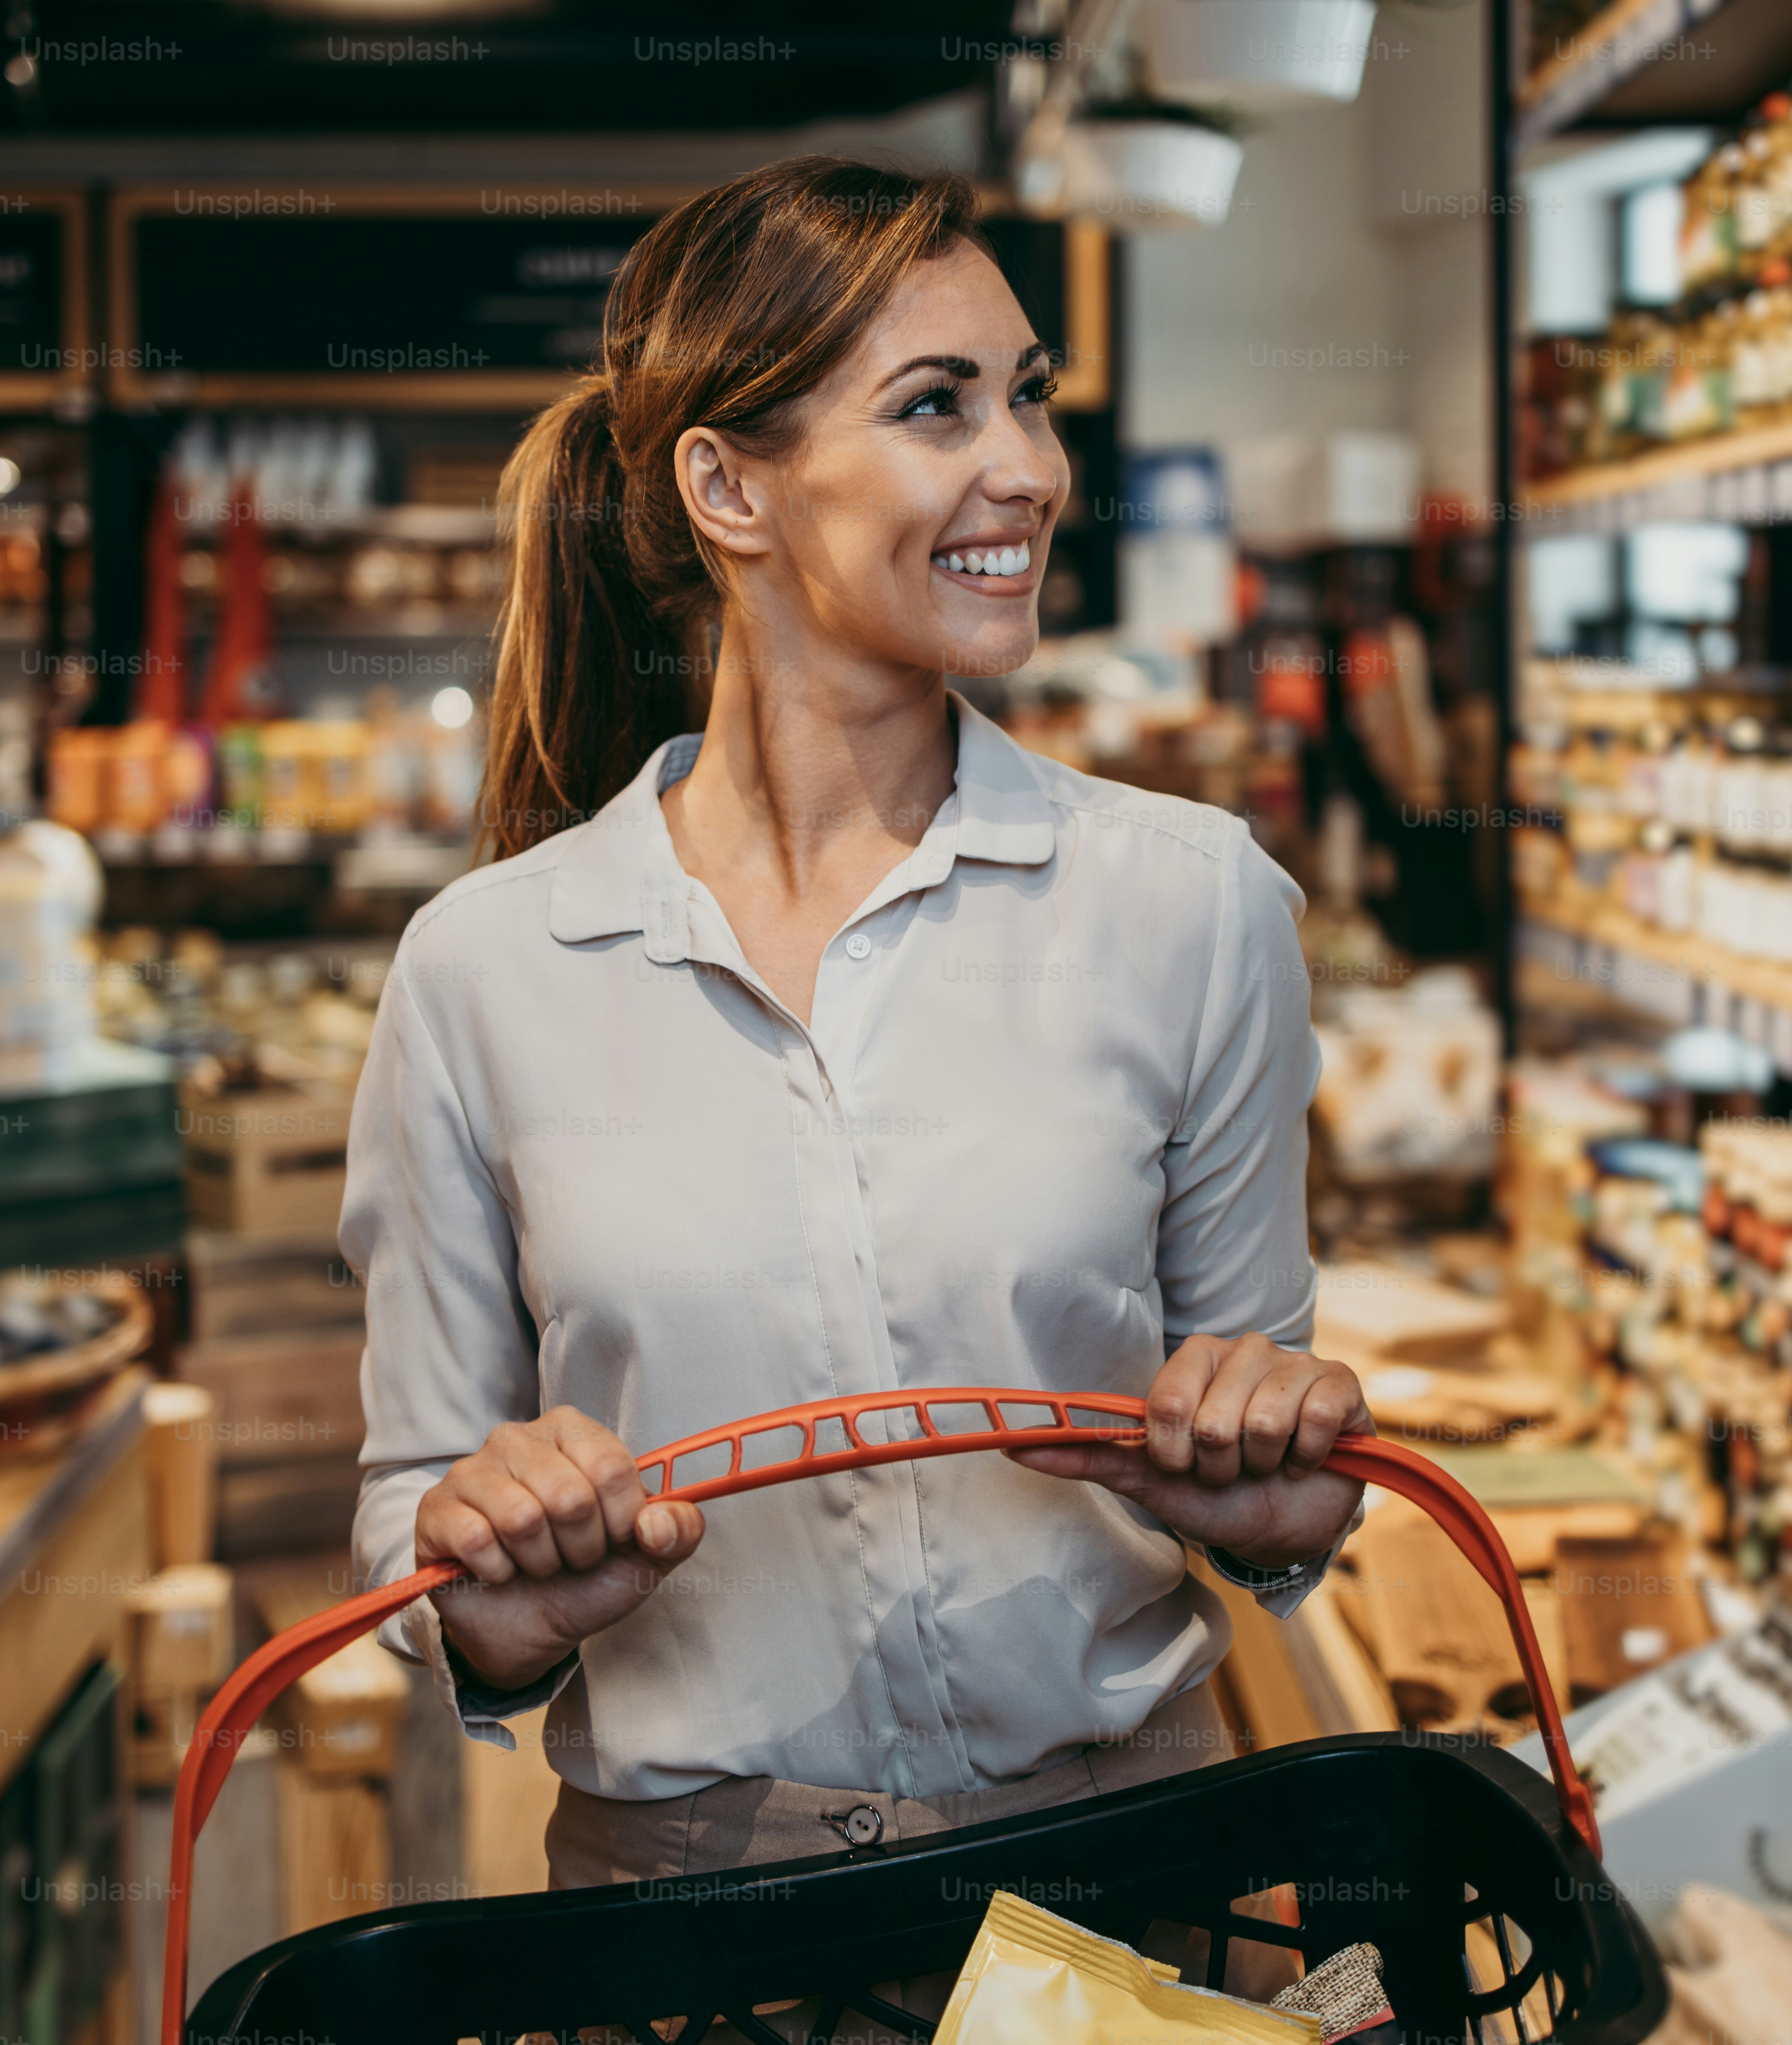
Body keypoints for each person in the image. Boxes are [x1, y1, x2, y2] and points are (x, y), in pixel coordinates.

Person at [342, 154, 1365, 1890]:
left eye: (1029, 397)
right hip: (695, 1930)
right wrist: (502, 1609)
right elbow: (414, 1517)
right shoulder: (489, 970)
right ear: (729, 488)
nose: (1030, 469)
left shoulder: (1191, 904)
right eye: (937, 406)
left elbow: (1257, 1399)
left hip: (1126, 1893)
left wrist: (1277, 1517)